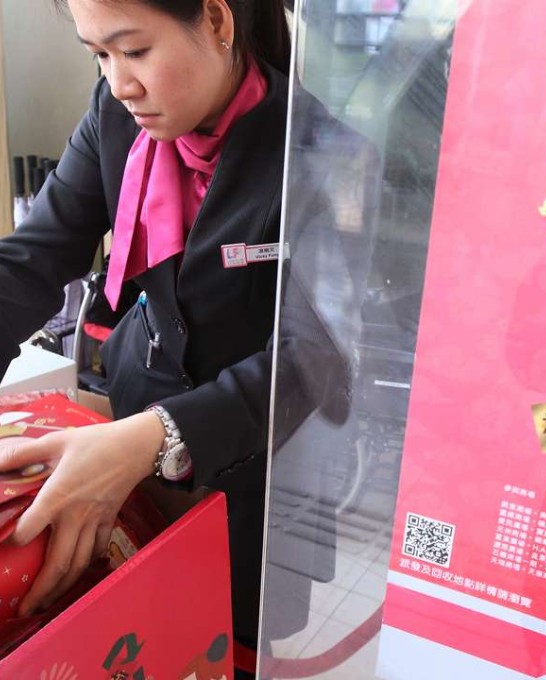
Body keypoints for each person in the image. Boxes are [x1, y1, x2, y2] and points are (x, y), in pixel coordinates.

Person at [0, 0, 363, 676]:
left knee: (233, 642)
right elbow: (32, 260)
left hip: (260, 462)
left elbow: (320, 353)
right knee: (139, 626)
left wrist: (155, 437)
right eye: (98, 54)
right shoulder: (114, 118)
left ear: (219, 22)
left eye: (134, 50)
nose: (118, 82)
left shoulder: (316, 149)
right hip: (134, 409)